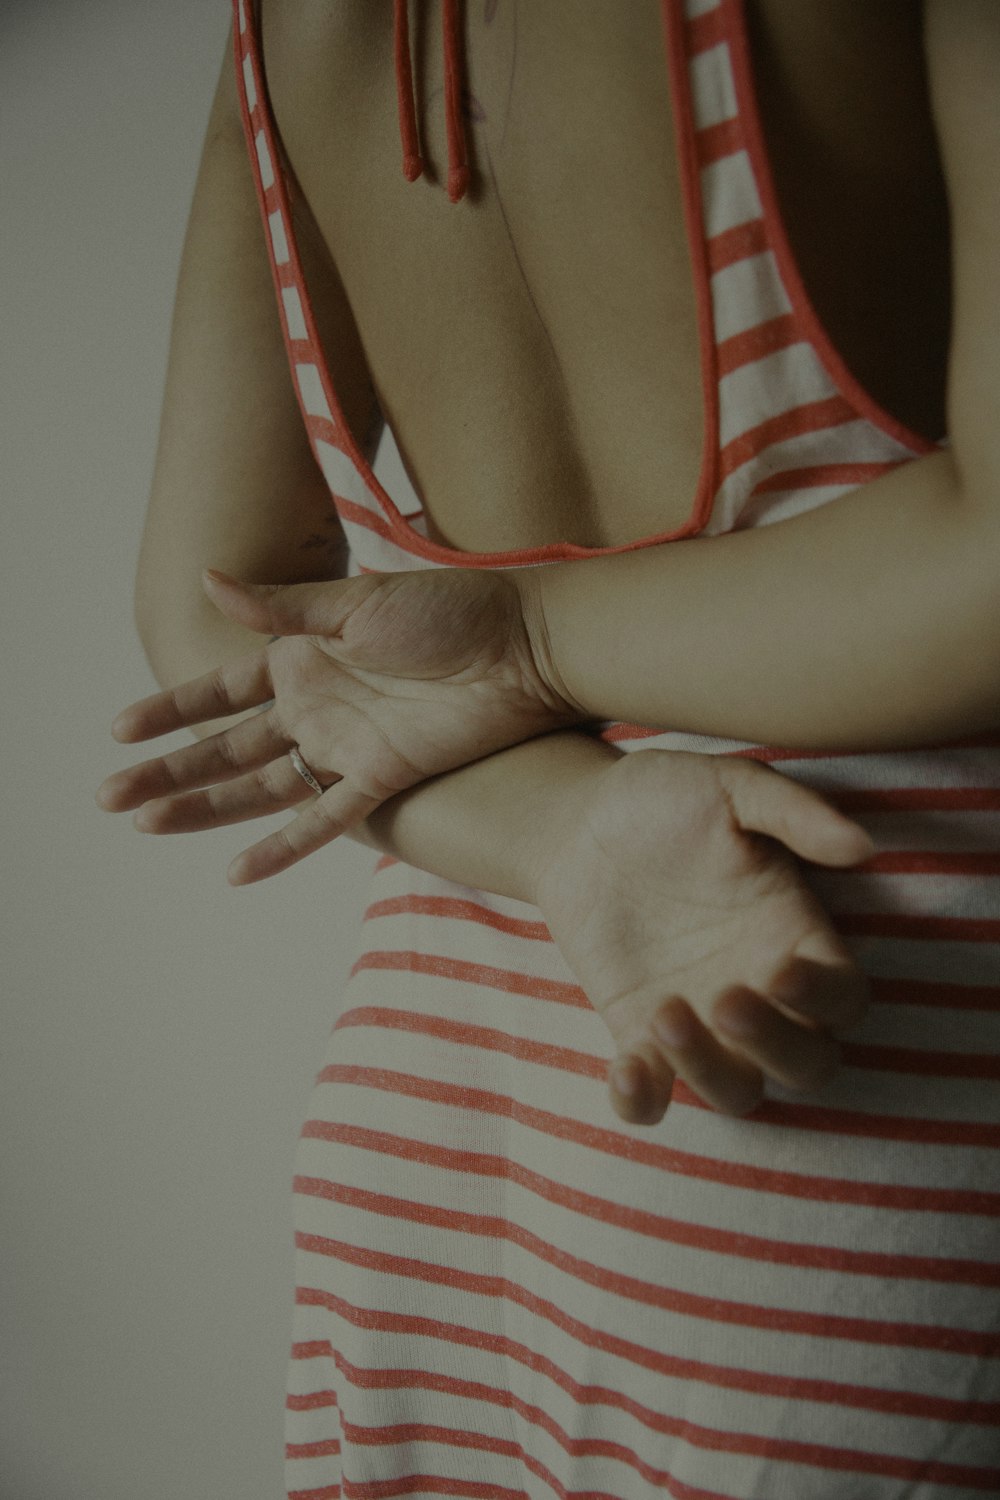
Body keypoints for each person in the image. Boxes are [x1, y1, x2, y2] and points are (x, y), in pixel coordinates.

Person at [98, 1, 1000, 1494]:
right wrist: (529, 659)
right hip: (851, 1093)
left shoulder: (284, 23)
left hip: (435, 1130)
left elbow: (220, 622)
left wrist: (560, 831)